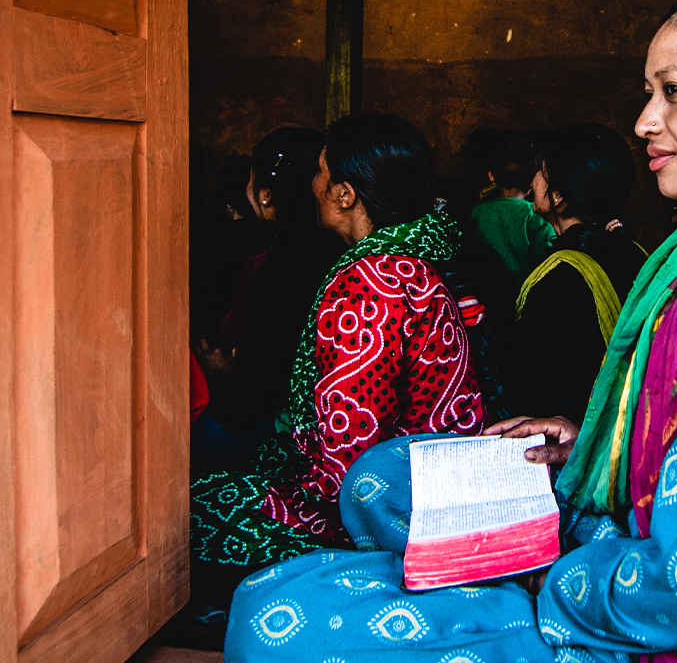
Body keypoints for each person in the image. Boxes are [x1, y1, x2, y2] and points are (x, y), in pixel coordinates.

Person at [224, 0, 677, 663]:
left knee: (271, 615)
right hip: (622, 531)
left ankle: (501, 594)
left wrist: (547, 576)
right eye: (649, 92)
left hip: (652, 610)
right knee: (377, 479)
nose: (645, 121)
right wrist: (586, 441)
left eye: (674, 92)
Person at [190, 115, 492, 580]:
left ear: (345, 195)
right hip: (437, 478)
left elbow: (350, 454)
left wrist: (292, 497)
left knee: (187, 515)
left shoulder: (366, 287)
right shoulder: (419, 257)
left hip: (391, 504)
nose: (311, 183)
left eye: (321, 172)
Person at [193, 128, 346, 471]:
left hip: (288, 428)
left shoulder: (285, 264)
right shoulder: (336, 248)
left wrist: (216, 373)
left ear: (265, 195)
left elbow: (252, 398)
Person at [507, 122, 647, 422]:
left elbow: (530, 393)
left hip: (572, 442)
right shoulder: (638, 253)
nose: (532, 180)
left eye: (540, 172)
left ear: (558, 196)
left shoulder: (560, 281)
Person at [468, 129, 557, 286]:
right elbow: (545, 256)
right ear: (533, 180)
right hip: (527, 288)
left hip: (488, 288)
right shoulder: (537, 216)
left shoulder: (478, 212)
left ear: (492, 176)